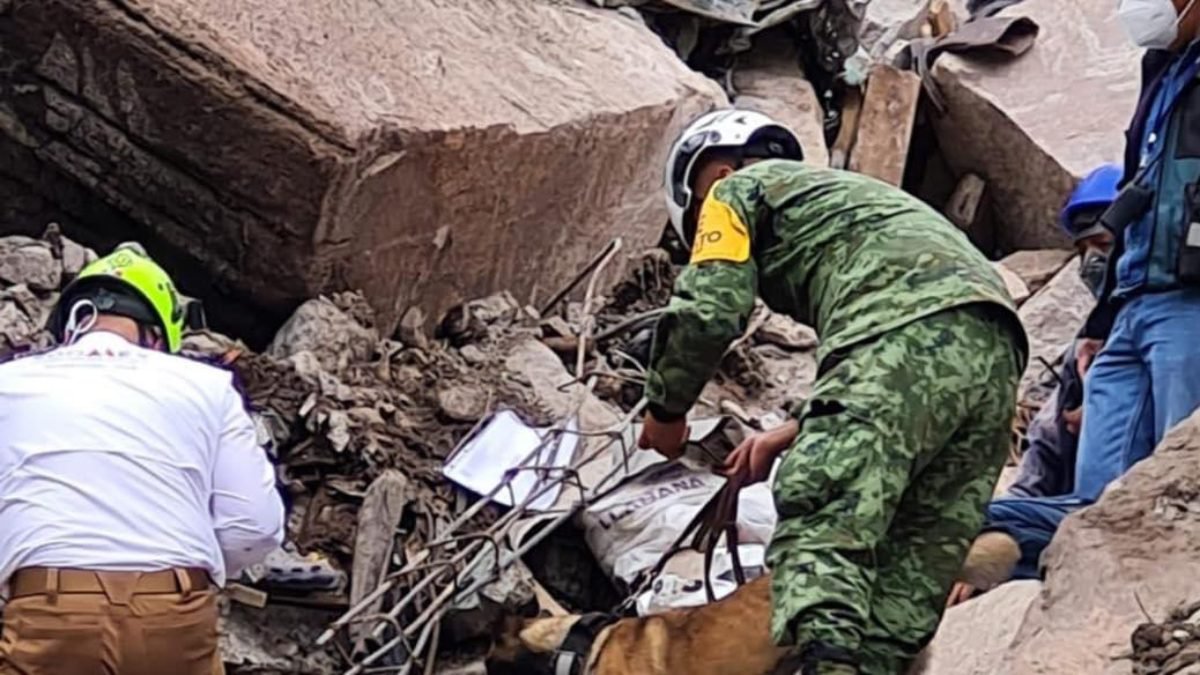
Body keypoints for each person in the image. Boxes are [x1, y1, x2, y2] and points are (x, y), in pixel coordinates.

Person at [636, 108, 1028, 675]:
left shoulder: (732, 192)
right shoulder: (849, 204)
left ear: (714, 174)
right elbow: (920, 366)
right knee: (909, 560)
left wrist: (667, 410)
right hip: (994, 355)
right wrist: (796, 429)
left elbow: (709, 308)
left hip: (900, 331)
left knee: (825, 525)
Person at [0, 242, 285, 674]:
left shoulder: (9, 384)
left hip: (49, 612)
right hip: (174, 617)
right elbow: (255, 527)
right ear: (158, 332)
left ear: (70, 323)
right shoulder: (207, 388)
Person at [944, 163, 1121, 607]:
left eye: (1103, 245)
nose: (1091, 262)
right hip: (1069, 514)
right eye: (1083, 251)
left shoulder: (1169, 338)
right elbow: (1042, 455)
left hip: (1123, 517)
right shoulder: (1086, 347)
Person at [1069, 0, 1200, 504]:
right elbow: (1135, 189)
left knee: (1181, 488)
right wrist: (1100, 320)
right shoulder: (1162, 70)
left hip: (1189, 305)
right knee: (1097, 502)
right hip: (1133, 302)